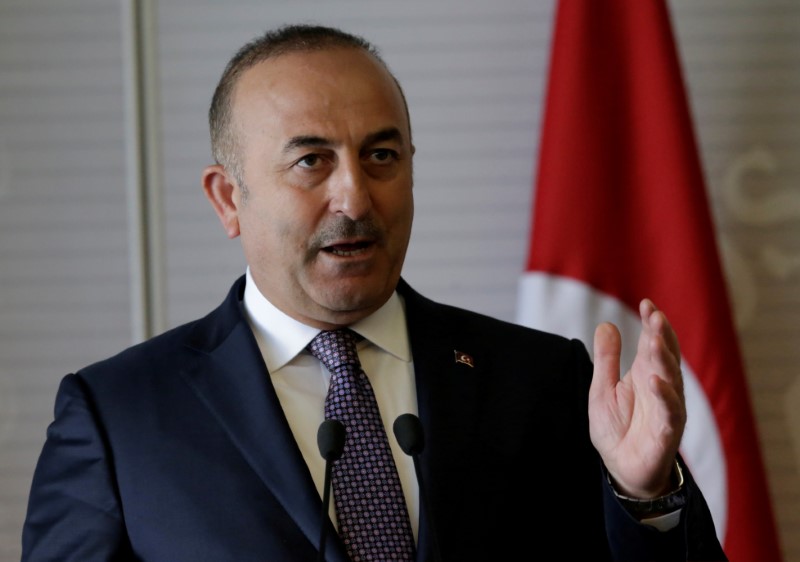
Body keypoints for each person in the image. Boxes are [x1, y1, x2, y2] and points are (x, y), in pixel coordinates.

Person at [21, 23, 727, 562]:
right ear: (227, 198)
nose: (355, 196)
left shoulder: (544, 380)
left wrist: (645, 496)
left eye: (381, 156)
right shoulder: (118, 420)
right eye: (311, 161)